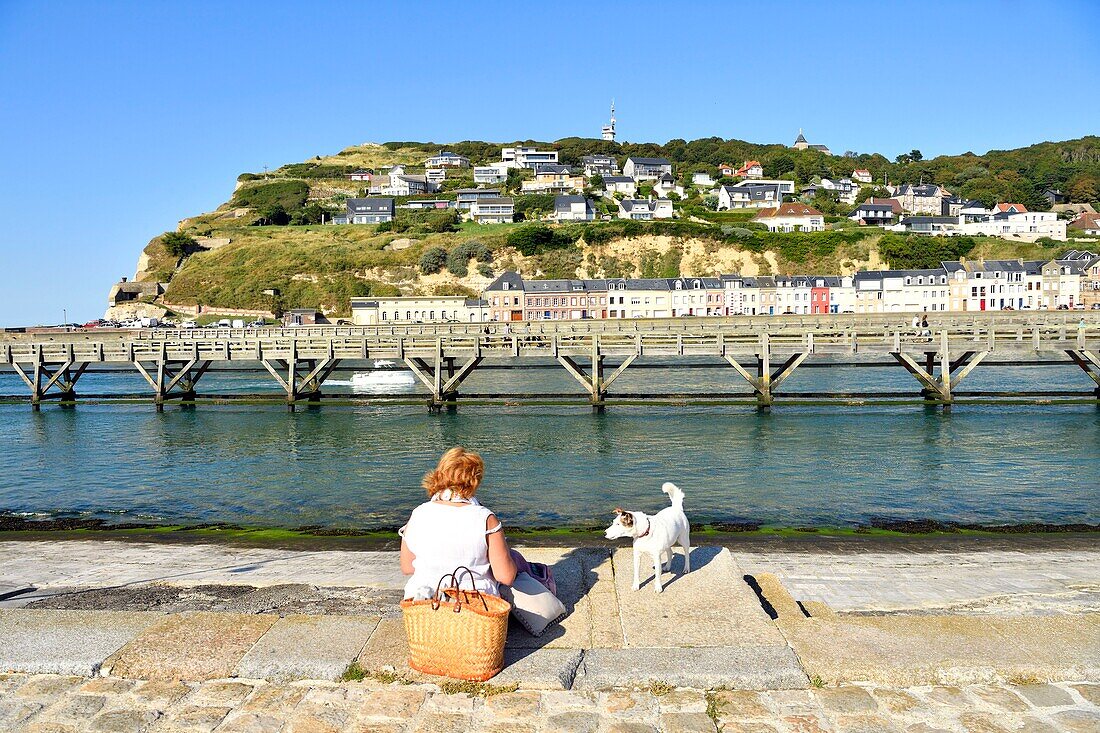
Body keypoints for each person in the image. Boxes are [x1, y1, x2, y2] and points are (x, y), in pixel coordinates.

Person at [400, 447, 517, 599]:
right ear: (475, 480)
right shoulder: (486, 518)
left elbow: (407, 567)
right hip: (475, 605)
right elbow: (505, 576)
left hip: (424, 605)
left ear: (440, 474)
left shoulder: (418, 513)